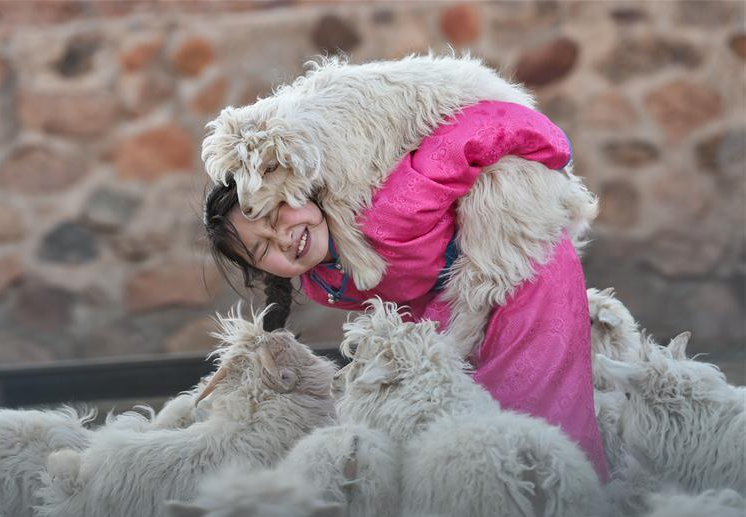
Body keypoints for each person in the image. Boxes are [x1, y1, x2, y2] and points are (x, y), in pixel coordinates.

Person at [203, 101, 609, 480]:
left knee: (534, 409)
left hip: (522, 267)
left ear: (296, 188)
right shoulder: (325, 280)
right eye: (263, 249)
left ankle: (569, 505)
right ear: (258, 270)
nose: (284, 239)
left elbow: (482, 128)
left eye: (276, 213)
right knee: (452, 425)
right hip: (450, 307)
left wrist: (554, 147)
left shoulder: (391, 208)